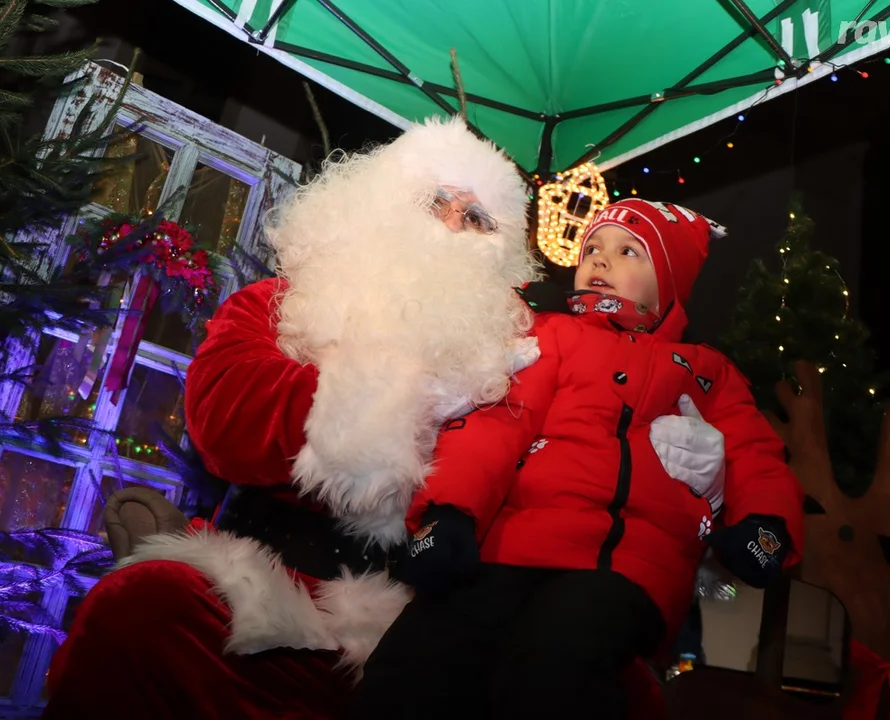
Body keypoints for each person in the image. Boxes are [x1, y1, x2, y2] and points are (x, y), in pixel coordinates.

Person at [42, 116, 545, 719]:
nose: (453, 225)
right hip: (261, 577)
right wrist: (403, 398)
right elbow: (223, 420)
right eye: (438, 201)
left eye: (477, 219)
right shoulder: (280, 305)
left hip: (416, 612)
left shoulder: (516, 358)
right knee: (136, 608)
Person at [349, 198, 806, 719]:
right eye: (591, 248)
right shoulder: (550, 334)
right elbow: (498, 421)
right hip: (509, 548)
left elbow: (754, 454)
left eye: (629, 251)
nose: (600, 261)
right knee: (417, 660)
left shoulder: (707, 370)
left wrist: (764, 526)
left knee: (555, 663)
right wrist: (448, 514)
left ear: (671, 281)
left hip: (625, 565)